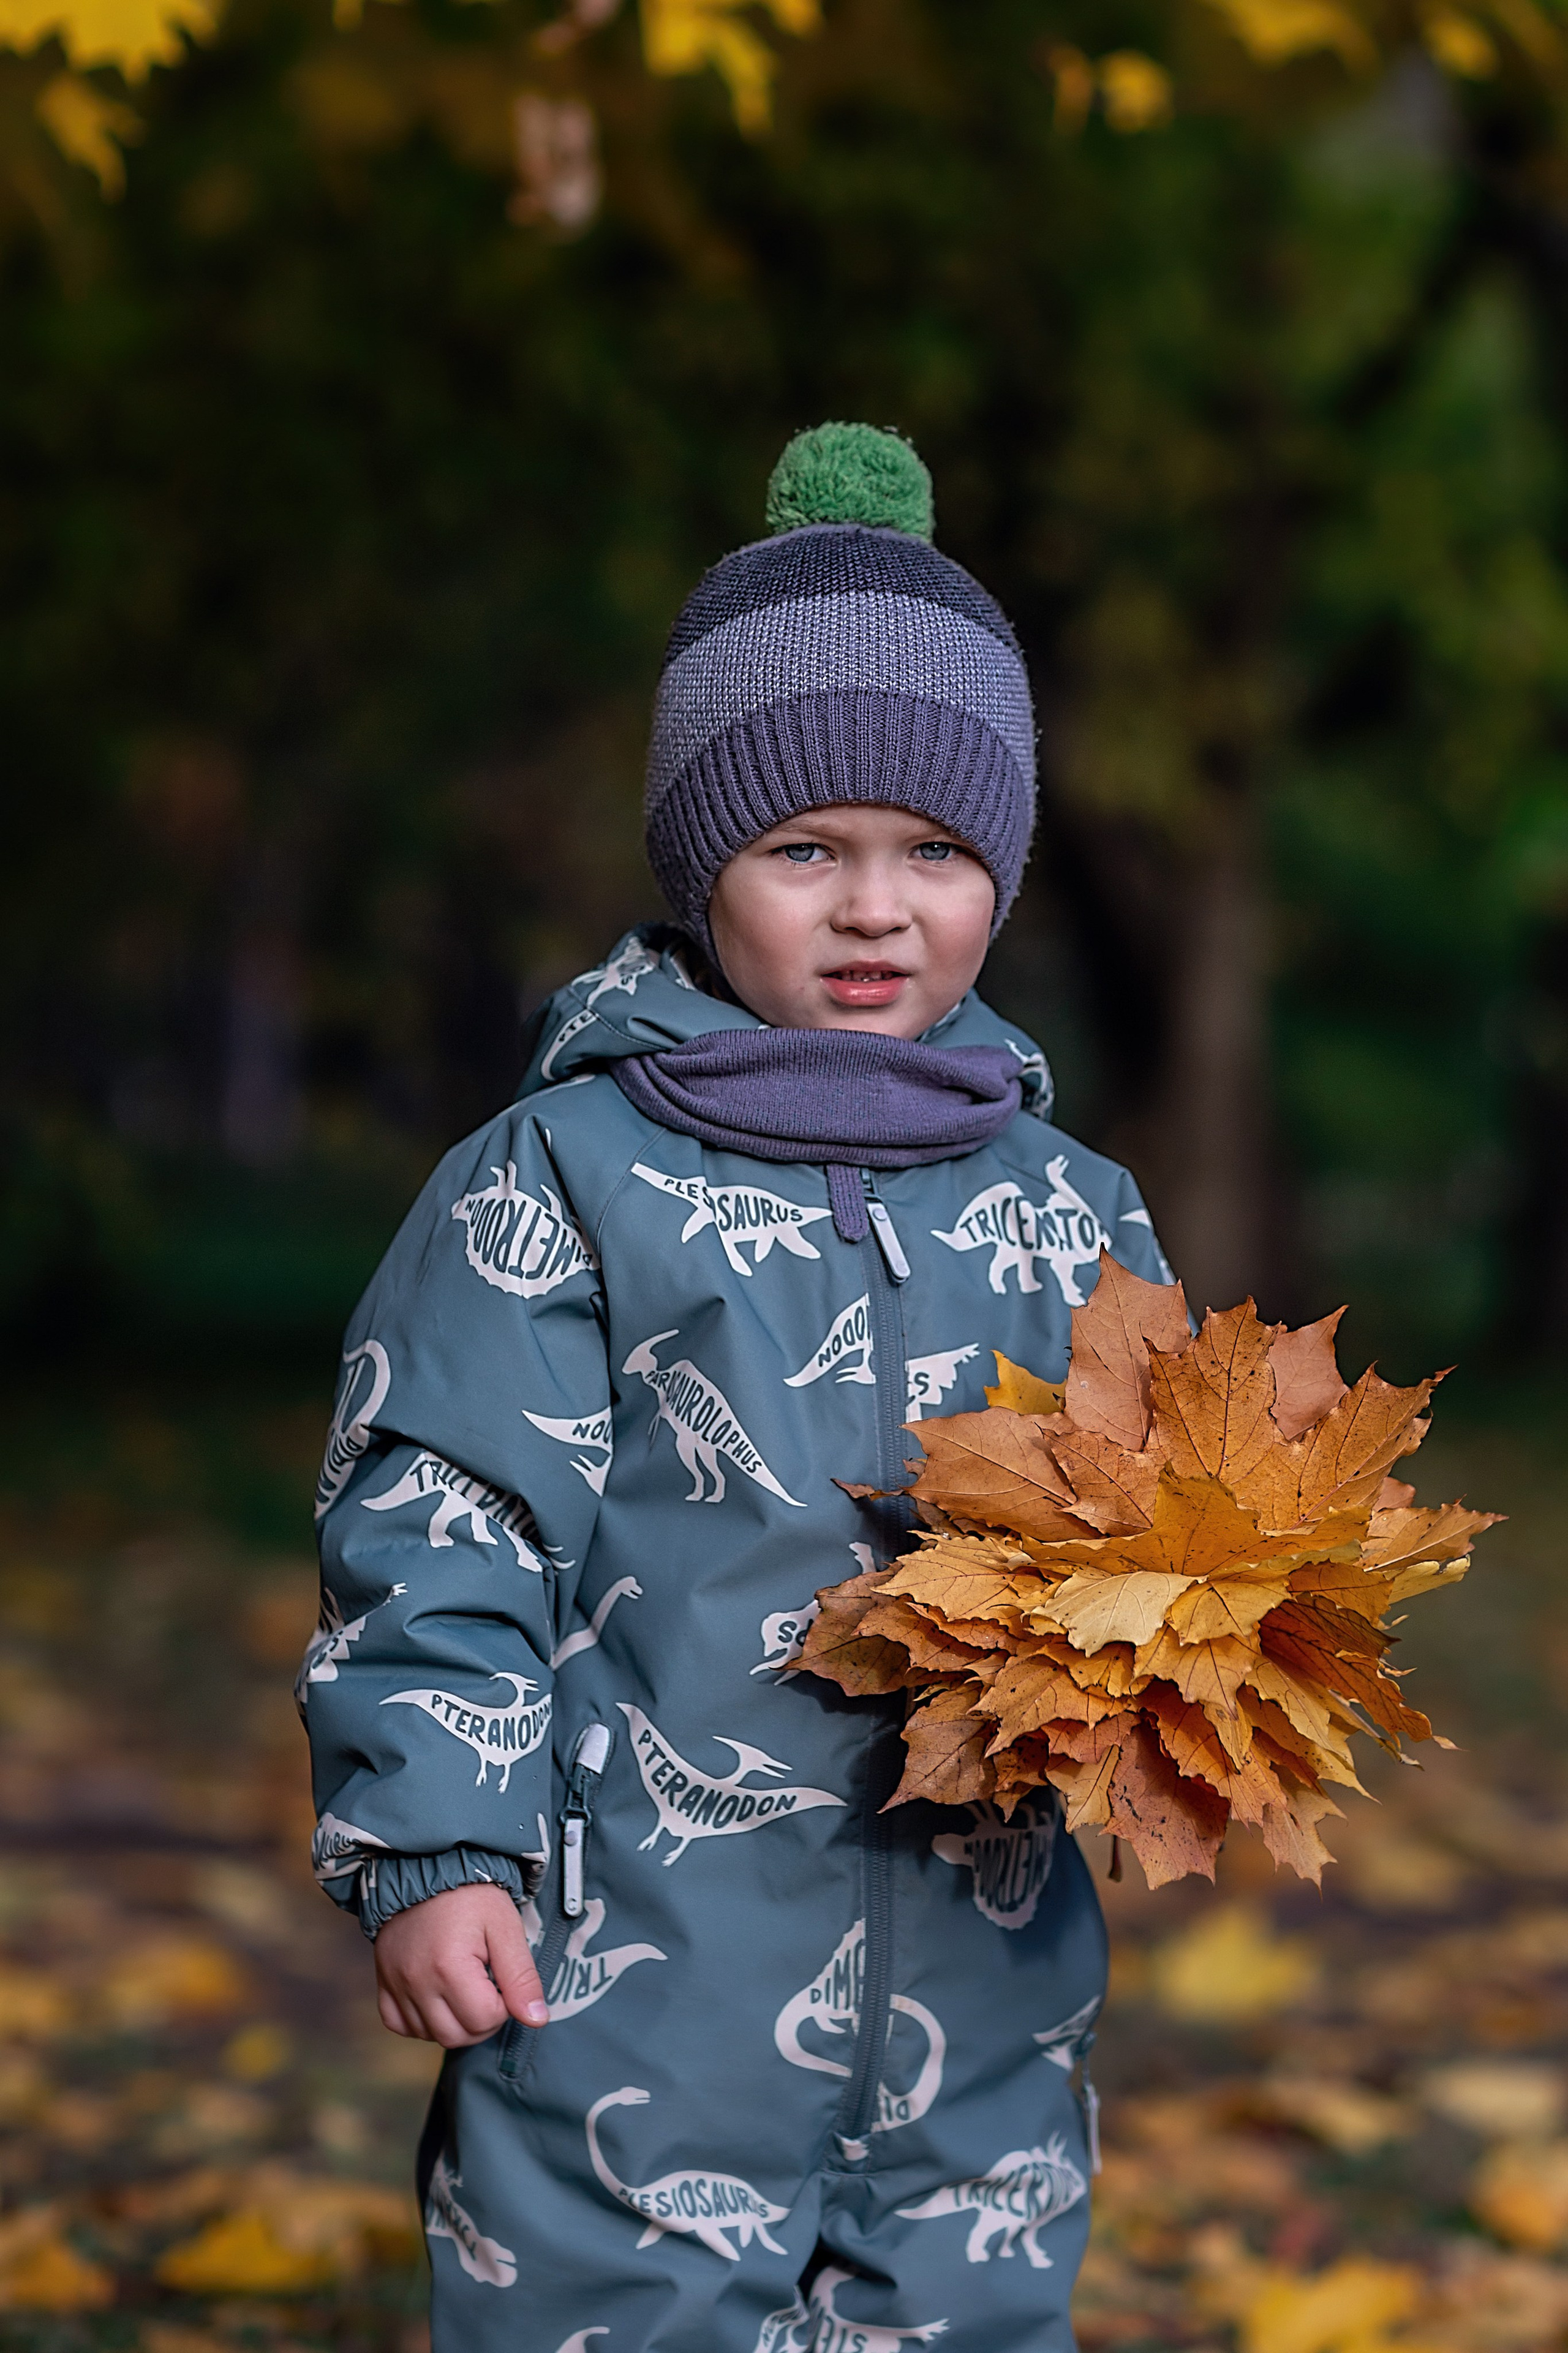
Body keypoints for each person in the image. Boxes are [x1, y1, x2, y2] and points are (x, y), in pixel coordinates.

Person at [302, 422, 1176, 2352]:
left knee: (964, 2306)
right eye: (808, 850)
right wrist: (437, 1847)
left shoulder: (1074, 1212)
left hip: (990, 1963)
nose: (877, 909)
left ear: (1003, 871)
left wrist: (1192, 1705)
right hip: (636, 1971)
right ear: (710, 865)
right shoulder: (568, 1182)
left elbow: (1168, 1538)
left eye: (936, 851)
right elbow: (445, 1518)